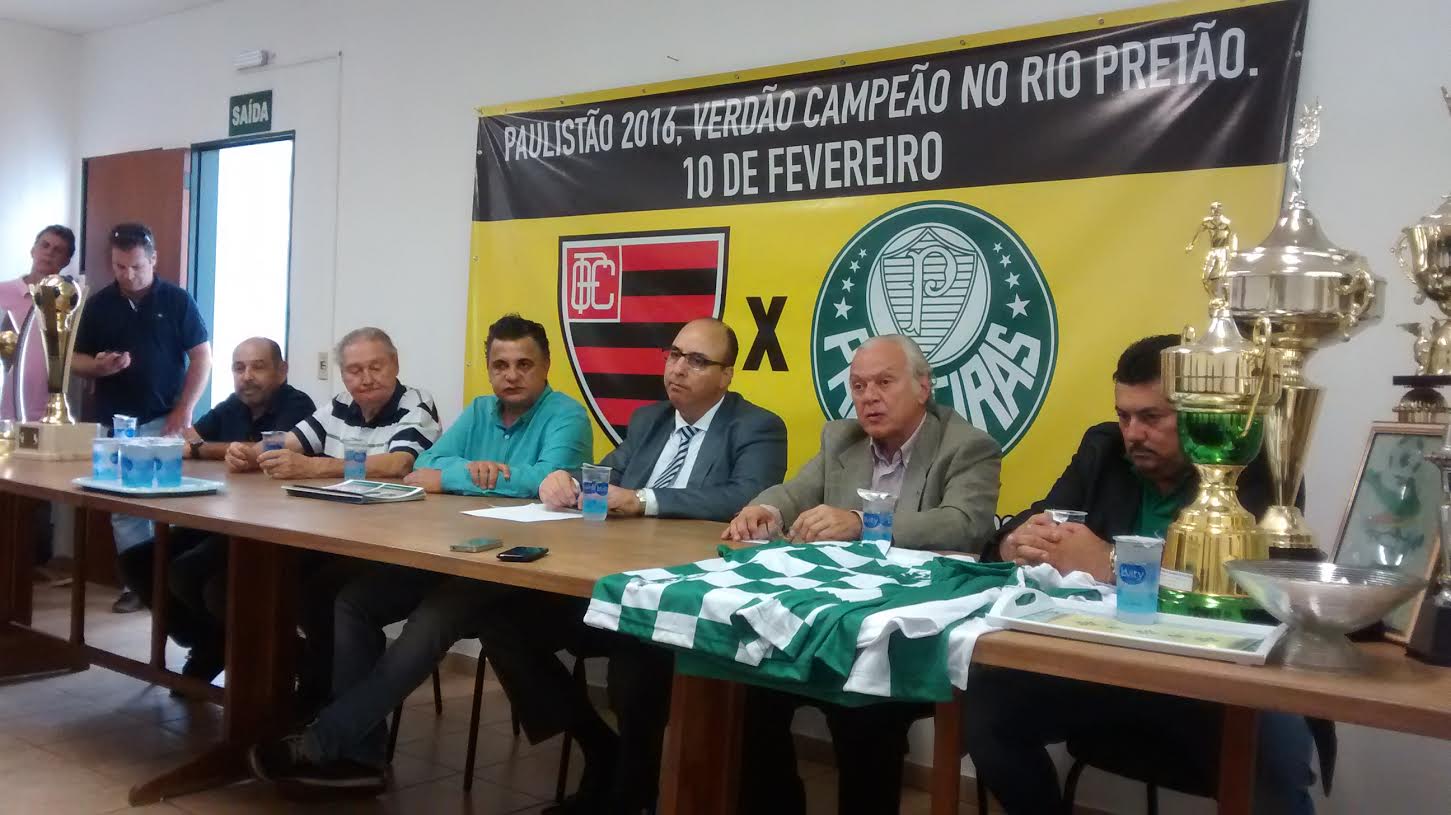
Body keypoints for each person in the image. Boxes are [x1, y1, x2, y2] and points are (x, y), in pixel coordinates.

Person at [962, 333, 1325, 815]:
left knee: (1274, 751)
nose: (1133, 433)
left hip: (1215, 683)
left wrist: (1114, 564)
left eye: (1152, 417)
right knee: (987, 706)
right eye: (1124, 415)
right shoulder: (1104, 450)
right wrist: (1014, 542)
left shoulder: (1252, 463)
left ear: (1196, 412)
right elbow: (1034, 521)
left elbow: (1259, 585)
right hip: (1107, 668)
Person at [247, 315, 592, 794]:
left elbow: (550, 482)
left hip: (520, 565)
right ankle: (363, 758)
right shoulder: (479, 410)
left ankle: (326, 742)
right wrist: (480, 473)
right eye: (500, 365)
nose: (511, 375)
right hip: (456, 551)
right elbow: (424, 467)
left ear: (547, 366)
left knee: (431, 620)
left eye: (524, 364)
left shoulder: (568, 415)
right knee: (353, 601)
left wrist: (467, 475)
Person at [480, 317, 787, 813]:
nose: (678, 369)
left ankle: (631, 790)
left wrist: (644, 499)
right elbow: (607, 474)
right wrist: (564, 481)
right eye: (674, 355)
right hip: (617, 584)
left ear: (727, 375)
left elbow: (746, 496)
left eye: (697, 361)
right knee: (502, 623)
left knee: (636, 664)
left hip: (684, 598)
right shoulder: (650, 420)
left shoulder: (756, 426)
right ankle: (601, 748)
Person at [721, 333, 1001, 815]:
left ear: (923, 387)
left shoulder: (967, 446)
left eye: (884, 383)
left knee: (864, 714)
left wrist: (864, 523)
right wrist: (763, 509)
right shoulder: (842, 439)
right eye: (858, 385)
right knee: (749, 690)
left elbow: (965, 524)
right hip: (832, 618)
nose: (868, 397)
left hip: (904, 634)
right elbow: (795, 492)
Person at [114, 338, 315, 685]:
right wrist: (222, 449)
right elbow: (187, 442)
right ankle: (209, 642)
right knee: (137, 562)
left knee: (188, 573)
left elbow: (264, 450)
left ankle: (269, 656)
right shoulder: (232, 405)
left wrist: (213, 448)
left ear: (281, 371)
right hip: (220, 517)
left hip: (270, 527)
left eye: (258, 367)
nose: (247, 376)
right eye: (239, 368)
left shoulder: (297, 405)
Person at [72, 222, 212, 614]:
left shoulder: (177, 300)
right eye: (120, 267)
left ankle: (173, 584)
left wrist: (184, 409)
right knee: (123, 508)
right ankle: (137, 584)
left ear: (153, 260)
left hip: (166, 420)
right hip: (116, 425)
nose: (128, 275)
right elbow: (76, 360)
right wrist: (99, 366)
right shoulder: (99, 305)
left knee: (170, 505)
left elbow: (202, 357)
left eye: (136, 266)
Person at [0, 225, 76, 574]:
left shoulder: (67, 299)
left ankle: (28, 570)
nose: (49, 253)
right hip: (5, 412)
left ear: (66, 261)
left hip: (43, 413)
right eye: (45, 245)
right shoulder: (3, 293)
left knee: (37, 496)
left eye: (58, 250)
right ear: (33, 248)